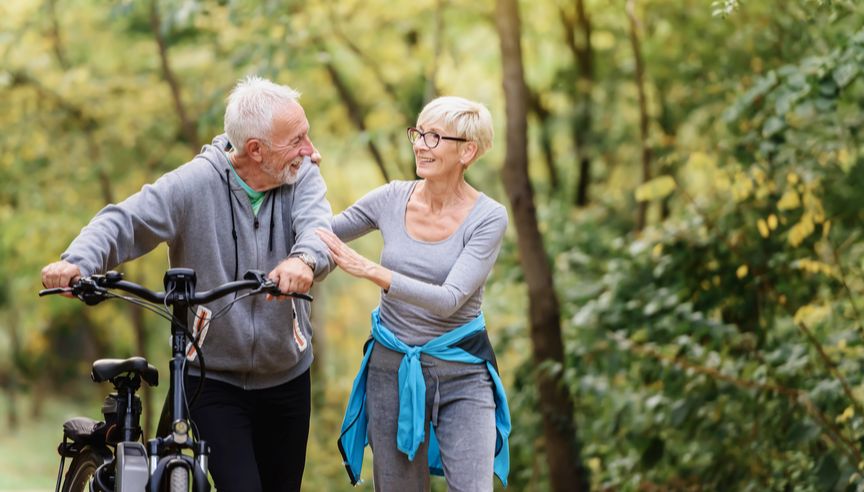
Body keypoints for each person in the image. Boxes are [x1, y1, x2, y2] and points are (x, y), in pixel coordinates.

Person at [40, 75, 334, 492]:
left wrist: (303, 261)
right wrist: (77, 263)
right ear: (256, 150)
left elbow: (318, 231)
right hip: (212, 379)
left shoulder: (301, 176)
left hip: (287, 374)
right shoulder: (194, 184)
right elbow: (124, 221)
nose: (311, 150)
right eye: (298, 139)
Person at [317, 96, 511, 491]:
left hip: (463, 374)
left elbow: (449, 299)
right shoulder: (391, 198)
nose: (420, 144)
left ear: (467, 151)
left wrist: (371, 270)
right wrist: (299, 180)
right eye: (418, 133)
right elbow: (323, 233)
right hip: (392, 372)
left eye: (435, 137)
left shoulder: (489, 217)